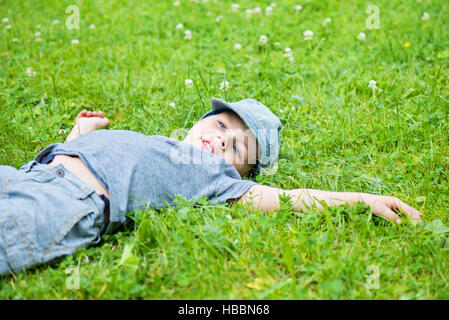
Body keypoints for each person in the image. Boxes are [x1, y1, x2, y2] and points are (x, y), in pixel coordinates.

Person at [0, 98, 422, 275]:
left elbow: (289, 198)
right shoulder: (158, 143)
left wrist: (363, 199)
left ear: (236, 176)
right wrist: (80, 130)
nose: (221, 139)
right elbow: (84, 155)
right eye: (221, 126)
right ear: (201, 121)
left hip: (67, 202)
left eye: (235, 148)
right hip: (28, 172)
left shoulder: (212, 178)